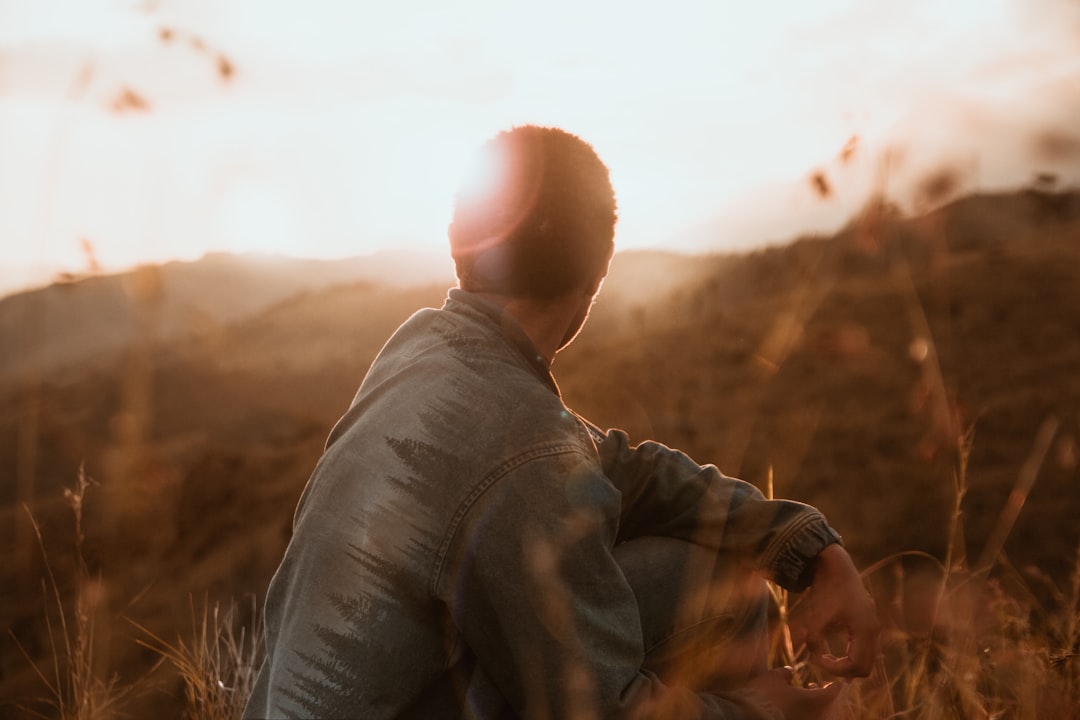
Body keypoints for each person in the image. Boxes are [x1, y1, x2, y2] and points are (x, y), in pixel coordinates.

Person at [244, 125, 879, 720]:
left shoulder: (419, 348)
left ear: (458, 244)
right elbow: (597, 710)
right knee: (720, 589)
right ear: (596, 276)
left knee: (681, 570)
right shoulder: (519, 444)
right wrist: (760, 712)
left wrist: (807, 548)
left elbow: (618, 469)